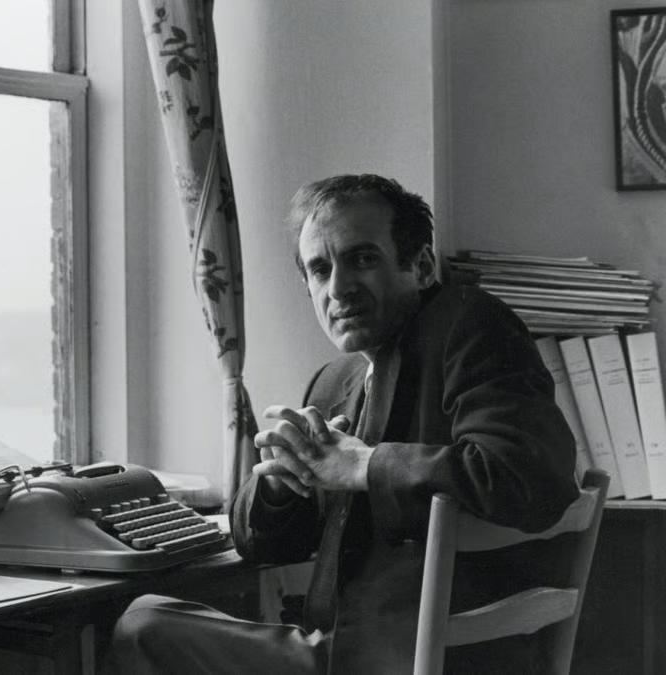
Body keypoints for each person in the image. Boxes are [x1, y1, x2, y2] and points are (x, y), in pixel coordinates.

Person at [108, 175, 579, 673]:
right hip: (351, 648)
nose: (339, 288)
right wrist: (281, 488)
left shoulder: (471, 323)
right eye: (319, 269)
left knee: (143, 627)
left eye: (363, 259)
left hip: (430, 657)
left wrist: (364, 465)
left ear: (419, 266)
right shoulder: (335, 380)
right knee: (152, 617)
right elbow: (260, 545)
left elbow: (531, 478)